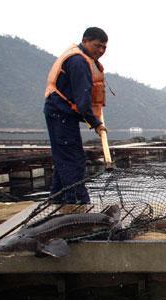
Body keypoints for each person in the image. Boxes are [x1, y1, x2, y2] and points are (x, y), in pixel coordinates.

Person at [43, 27, 108, 203]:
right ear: (85, 41)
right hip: (60, 114)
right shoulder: (79, 62)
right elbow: (82, 101)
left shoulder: (82, 58)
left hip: (61, 113)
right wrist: (96, 124)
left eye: (104, 47)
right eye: (97, 46)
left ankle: (55, 201)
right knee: (73, 161)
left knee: (64, 159)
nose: (101, 51)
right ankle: (78, 204)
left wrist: (93, 120)